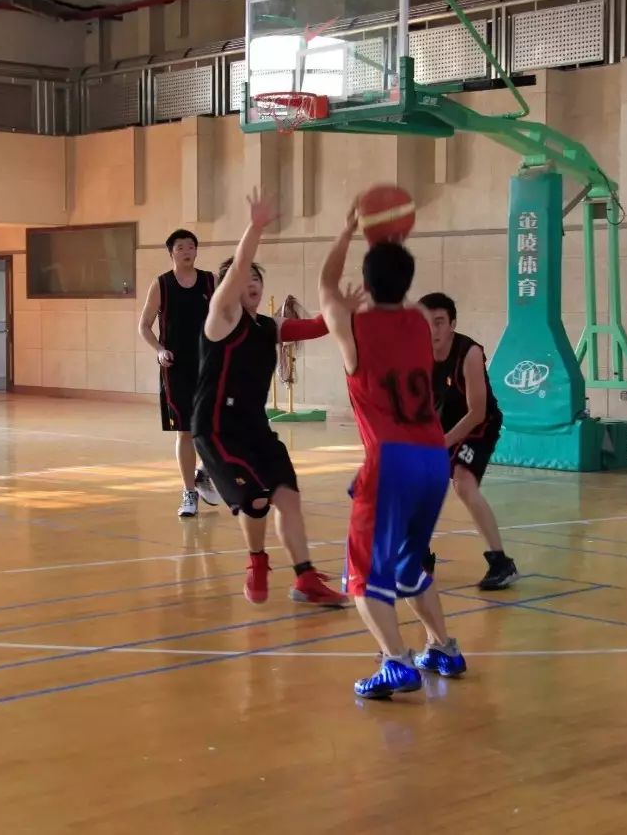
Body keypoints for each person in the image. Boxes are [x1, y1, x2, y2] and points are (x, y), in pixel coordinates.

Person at [319, 204, 467, 700]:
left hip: (391, 460)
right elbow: (392, 288)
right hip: (433, 458)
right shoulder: (422, 323)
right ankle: (442, 647)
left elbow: (326, 288)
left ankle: (395, 662)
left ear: (366, 282)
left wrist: (346, 231)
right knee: (407, 564)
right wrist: (391, 240)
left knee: (361, 578)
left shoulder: (356, 329)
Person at [192, 190, 349, 608]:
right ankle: (257, 561)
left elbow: (317, 327)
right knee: (257, 499)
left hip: (255, 429)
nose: (252, 283)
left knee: (288, 497)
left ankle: (306, 579)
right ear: (229, 287)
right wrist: (256, 226)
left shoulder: (269, 326)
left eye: (257, 280)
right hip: (217, 429)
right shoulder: (222, 317)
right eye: (245, 278)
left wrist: (342, 309)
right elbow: (239, 266)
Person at [418, 292, 518, 590]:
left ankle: (501, 563)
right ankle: (420, 557)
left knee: (463, 482)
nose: (433, 329)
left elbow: (477, 412)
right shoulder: (417, 353)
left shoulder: (469, 353)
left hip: (479, 426)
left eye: (439, 322)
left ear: (452, 324)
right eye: (427, 322)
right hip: (442, 425)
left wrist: (443, 442)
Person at [137, 228, 223, 517]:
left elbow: (226, 315)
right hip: (176, 368)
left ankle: (203, 472)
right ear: (171, 253)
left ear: (196, 251)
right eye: (180, 247)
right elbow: (144, 326)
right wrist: (159, 349)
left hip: (208, 364)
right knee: (185, 430)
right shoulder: (162, 284)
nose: (186, 251)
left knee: (216, 427)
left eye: (191, 246)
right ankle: (189, 492)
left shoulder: (210, 281)